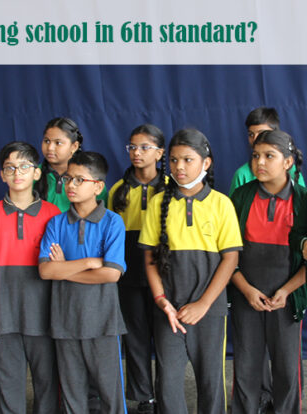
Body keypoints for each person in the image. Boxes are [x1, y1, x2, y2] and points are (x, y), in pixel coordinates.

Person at [138, 129, 243, 414]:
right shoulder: (159, 203)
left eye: (188, 159)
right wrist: (162, 302)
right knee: (168, 383)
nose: (179, 167)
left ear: (206, 163)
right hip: (168, 311)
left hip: (209, 311)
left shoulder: (222, 204)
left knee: (211, 382)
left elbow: (230, 260)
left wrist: (203, 304)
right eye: (173, 160)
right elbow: (150, 259)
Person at [0, 141, 61, 414]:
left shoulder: (53, 214)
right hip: (4, 314)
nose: (17, 172)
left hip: (45, 314)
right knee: (9, 381)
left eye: (24, 166)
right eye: (10, 168)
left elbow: (60, 268)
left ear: (36, 173)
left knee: (47, 382)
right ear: (2, 175)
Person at [39, 151, 128, 414]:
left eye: (80, 180)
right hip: (65, 319)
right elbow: (45, 271)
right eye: (68, 179)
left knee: (110, 393)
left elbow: (111, 274)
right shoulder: (55, 222)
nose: (71, 186)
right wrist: (89, 262)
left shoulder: (113, 222)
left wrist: (63, 268)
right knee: (71, 393)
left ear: (98, 186)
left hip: (102, 321)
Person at [229, 130, 307, 413]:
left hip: (287, 298)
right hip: (245, 294)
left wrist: (286, 291)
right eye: (255, 156)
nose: (259, 162)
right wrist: (246, 289)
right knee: (247, 363)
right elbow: (227, 254)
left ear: (287, 162)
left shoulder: (303, 200)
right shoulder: (240, 196)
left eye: (268, 156)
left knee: (288, 366)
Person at [107, 124, 166, 414]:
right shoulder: (117, 190)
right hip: (128, 273)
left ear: (160, 152)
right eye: (132, 147)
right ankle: (145, 397)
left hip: (163, 272)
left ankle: (166, 394)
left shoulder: (171, 186)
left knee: (166, 337)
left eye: (144, 147)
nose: (137, 153)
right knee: (136, 337)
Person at [36, 117, 107, 212]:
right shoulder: (33, 175)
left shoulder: (91, 180)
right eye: (47, 141)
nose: (50, 148)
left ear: (74, 146)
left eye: (58, 143)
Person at [229, 107, 304, 196]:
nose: (255, 139)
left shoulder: (293, 172)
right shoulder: (242, 175)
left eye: (262, 133)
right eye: (251, 134)